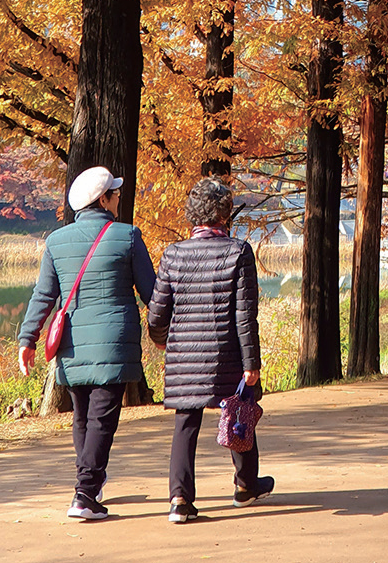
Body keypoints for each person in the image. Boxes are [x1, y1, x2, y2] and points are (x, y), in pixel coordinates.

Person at [18, 165, 155, 520]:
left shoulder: (56, 241)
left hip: (72, 344)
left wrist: (27, 338)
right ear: (103, 199)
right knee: (101, 420)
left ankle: (88, 485)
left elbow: (43, 295)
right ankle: (85, 493)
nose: (119, 197)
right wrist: (166, 330)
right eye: (115, 192)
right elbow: (152, 293)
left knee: (83, 417)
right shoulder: (127, 236)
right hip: (114, 341)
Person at [147, 176, 274, 523]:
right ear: (224, 213)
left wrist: (160, 338)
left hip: (184, 355)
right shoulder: (238, 251)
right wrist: (251, 362)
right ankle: (245, 486)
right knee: (239, 410)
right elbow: (245, 314)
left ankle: (179, 500)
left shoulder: (173, 253)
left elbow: (158, 311)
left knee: (185, 423)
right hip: (227, 353)